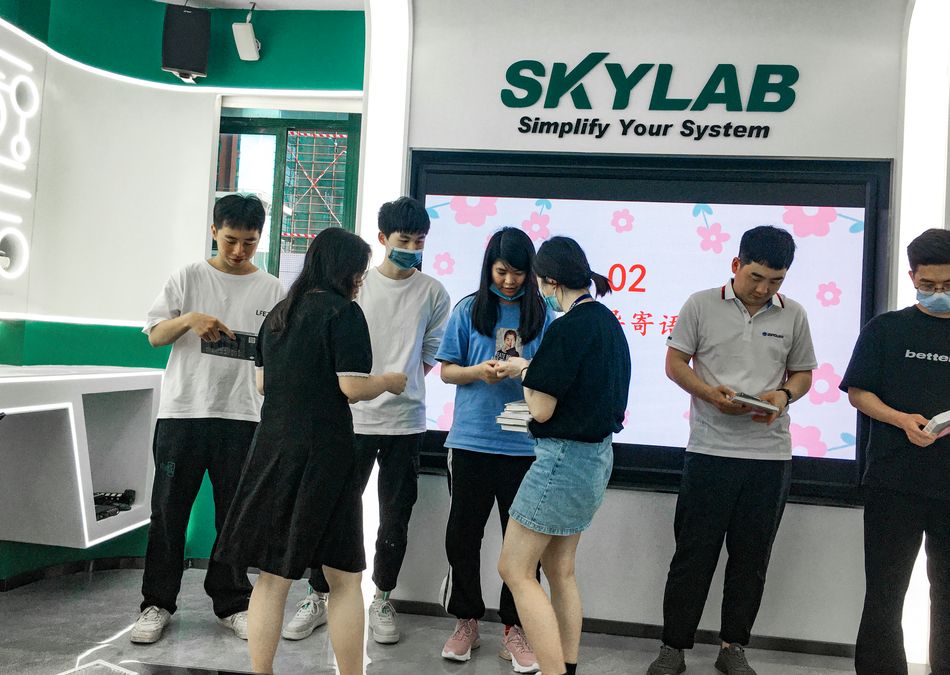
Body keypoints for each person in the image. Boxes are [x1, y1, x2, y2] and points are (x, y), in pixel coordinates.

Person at [213, 227, 407, 675]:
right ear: (344, 271)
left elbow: (262, 383)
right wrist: (388, 382)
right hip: (326, 457)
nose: (360, 281)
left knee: (272, 578)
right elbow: (352, 387)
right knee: (345, 579)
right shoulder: (344, 313)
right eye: (358, 272)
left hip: (272, 451)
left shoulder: (279, 313)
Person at [647, 225, 816, 675]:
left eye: (775, 281)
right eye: (756, 277)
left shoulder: (794, 314)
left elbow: (802, 374)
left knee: (751, 559)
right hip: (709, 450)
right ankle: (673, 648)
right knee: (693, 555)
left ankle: (733, 647)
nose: (763, 289)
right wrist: (709, 393)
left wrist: (783, 396)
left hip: (770, 457)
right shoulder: (701, 304)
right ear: (736, 264)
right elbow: (675, 363)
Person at [283, 197, 451, 644]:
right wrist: (371, 386)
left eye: (419, 242)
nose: (411, 249)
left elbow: (430, 353)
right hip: (350, 420)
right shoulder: (357, 285)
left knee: (395, 516)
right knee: (333, 509)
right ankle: (317, 595)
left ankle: (382, 597)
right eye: (403, 240)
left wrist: (402, 384)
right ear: (382, 238)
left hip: (406, 423)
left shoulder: (434, 292)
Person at [131, 193, 284, 645]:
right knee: (168, 513)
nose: (239, 251)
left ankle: (233, 602)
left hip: (244, 417)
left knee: (235, 517)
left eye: (249, 242)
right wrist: (190, 320)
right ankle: (157, 603)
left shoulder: (274, 290)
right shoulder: (188, 277)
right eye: (230, 239)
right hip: (183, 413)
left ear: (260, 238)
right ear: (214, 231)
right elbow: (155, 336)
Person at [497, 236, 631, 675]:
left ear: (550, 281)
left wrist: (524, 373)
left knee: (515, 569)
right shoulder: (607, 323)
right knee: (560, 570)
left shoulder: (567, 327)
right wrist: (531, 369)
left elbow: (541, 409)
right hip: (595, 461)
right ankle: (566, 667)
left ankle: (553, 671)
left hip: (561, 462)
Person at [436, 227, 553, 673]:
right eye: (501, 271)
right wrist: (477, 372)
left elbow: (554, 373)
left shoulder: (543, 314)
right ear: (489, 267)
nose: (508, 281)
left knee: (521, 545)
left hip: (524, 446)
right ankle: (466, 620)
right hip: (470, 442)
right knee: (463, 536)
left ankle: (514, 627)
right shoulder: (469, 309)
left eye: (518, 273)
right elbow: (447, 371)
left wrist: (525, 370)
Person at [840, 227, 950, 675]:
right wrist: (901, 419)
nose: (938, 293)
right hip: (893, 481)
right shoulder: (886, 329)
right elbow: (858, 392)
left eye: (948, 285)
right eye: (928, 284)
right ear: (912, 277)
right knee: (885, 593)